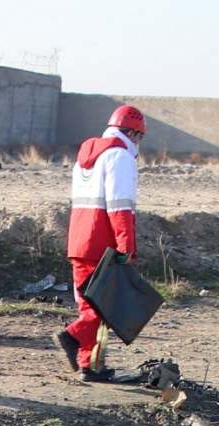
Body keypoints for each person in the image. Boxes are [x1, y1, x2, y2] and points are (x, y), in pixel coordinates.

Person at [55, 104, 144, 380]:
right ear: (133, 133)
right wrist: (126, 245)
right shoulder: (120, 157)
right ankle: (73, 336)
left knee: (89, 305)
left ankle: (89, 366)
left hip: (79, 239)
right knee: (105, 307)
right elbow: (120, 207)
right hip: (102, 242)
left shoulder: (85, 158)